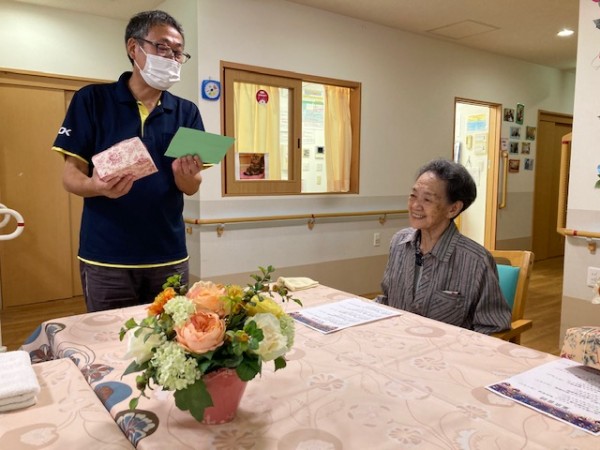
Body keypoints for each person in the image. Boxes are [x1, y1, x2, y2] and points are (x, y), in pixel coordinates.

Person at [52, 10, 204, 312]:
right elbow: (71, 175)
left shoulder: (186, 112)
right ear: (134, 48)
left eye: (178, 53)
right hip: (107, 257)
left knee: (170, 336)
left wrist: (185, 175)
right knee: (110, 335)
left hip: (168, 254)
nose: (172, 59)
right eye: (163, 48)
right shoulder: (92, 100)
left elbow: (191, 187)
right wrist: (96, 186)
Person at [376, 159, 511, 334]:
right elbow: (387, 299)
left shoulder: (476, 260)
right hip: (396, 340)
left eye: (427, 199)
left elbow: (493, 326)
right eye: (413, 196)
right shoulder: (399, 243)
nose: (415, 205)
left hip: (448, 349)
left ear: (453, 209)